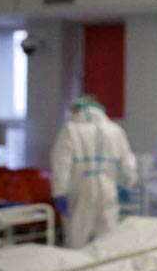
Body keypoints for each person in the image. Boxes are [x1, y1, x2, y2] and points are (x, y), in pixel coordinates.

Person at [50, 95, 137, 248]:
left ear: (77, 110)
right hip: (108, 187)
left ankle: (75, 267)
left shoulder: (71, 130)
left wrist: (60, 191)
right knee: (108, 233)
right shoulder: (115, 130)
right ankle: (107, 268)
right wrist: (128, 183)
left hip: (80, 187)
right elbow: (128, 160)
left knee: (77, 234)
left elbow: (61, 163)